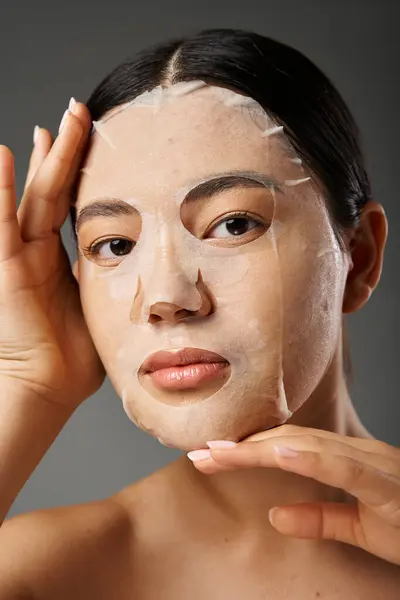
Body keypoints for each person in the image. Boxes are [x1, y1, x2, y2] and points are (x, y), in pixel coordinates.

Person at [0, 27, 399, 599]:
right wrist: (28, 379)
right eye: (113, 245)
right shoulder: (42, 574)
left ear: (358, 257)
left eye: (235, 224)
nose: (166, 297)